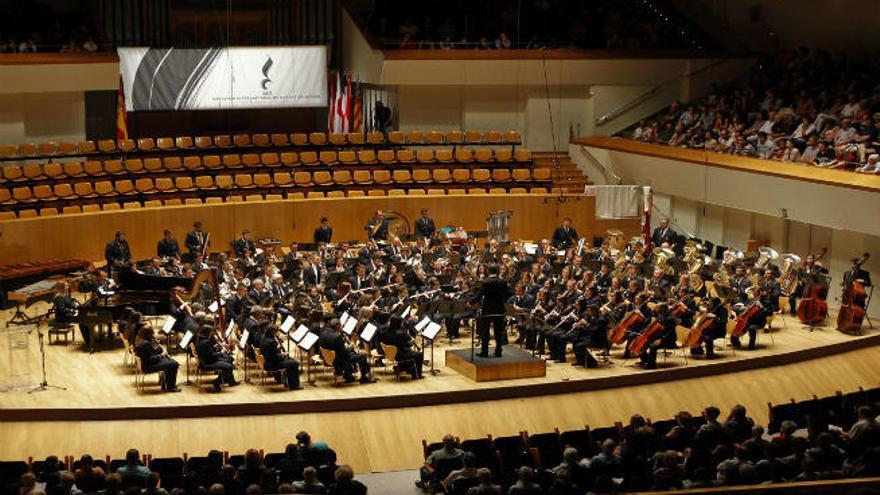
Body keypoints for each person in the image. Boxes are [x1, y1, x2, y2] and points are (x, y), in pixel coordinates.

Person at [318, 318, 377, 384]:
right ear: (337, 326)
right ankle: (364, 378)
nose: (341, 326)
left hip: (327, 358)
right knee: (362, 357)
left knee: (352, 353)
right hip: (337, 360)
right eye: (340, 325)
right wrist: (350, 347)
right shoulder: (337, 337)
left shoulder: (323, 332)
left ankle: (348, 376)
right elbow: (343, 353)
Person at [475, 264, 511, 358]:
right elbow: (507, 295)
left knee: (485, 331)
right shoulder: (502, 282)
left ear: (488, 271)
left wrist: (471, 302)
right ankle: (498, 351)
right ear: (497, 271)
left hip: (488, 309)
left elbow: (479, 295)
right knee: (498, 331)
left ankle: (484, 351)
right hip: (499, 309)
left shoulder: (485, 282)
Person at [134, 325, 180, 392]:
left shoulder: (139, 340)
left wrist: (156, 349)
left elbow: (149, 354)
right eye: (152, 333)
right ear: (148, 334)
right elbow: (150, 359)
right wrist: (162, 355)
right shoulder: (145, 344)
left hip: (145, 363)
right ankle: (171, 387)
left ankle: (165, 384)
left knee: (171, 361)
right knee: (174, 364)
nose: (153, 335)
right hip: (148, 366)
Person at [194, 325, 239, 391]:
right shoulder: (205, 342)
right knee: (229, 367)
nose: (211, 335)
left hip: (205, 360)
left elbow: (207, 352)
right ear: (208, 333)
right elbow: (212, 356)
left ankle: (230, 381)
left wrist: (215, 347)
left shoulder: (199, 339)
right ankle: (216, 382)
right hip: (207, 363)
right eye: (211, 333)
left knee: (228, 360)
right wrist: (221, 352)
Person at [259, 325, 301, 390]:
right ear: (273, 332)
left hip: (267, 362)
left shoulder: (263, 338)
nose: (278, 332)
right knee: (295, 363)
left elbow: (271, 353)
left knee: (291, 360)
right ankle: (294, 386)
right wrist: (283, 354)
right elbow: (275, 358)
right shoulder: (272, 342)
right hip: (272, 364)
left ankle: (286, 381)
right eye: (277, 331)